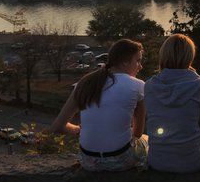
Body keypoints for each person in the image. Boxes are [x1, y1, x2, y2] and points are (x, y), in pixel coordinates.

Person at [48, 39, 148, 171]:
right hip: (120, 159)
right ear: (124, 62)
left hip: (88, 161)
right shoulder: (138, 85)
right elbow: (137, 133)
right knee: (147, 140)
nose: (140, 66)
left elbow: (57, 126)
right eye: (138, 61)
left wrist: (79, 130)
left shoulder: (85, 83)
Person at [145, 34, 200, 173]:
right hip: (192, 161)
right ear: (190, 56)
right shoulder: (197, 84)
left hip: (157, 161)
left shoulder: (149, 85)